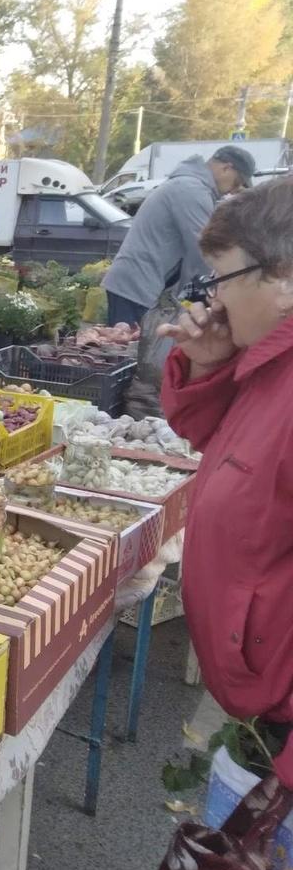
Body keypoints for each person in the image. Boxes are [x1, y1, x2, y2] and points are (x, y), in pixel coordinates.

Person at [158, 179, 293, 787]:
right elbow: (230, 447)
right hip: (261, 702)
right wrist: (212, 364)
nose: (211, 301)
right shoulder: (270, 360)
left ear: (283, 275)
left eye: (223, 279)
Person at [102, 145, 255, 327]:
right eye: (237, 182)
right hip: (136, 285)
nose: (234, 190)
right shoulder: (191, 189)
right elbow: (204, 246)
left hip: (140, 282)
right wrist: (230, 283)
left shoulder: (192, 186)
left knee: (134, 348)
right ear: (226, 168)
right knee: (127, 348)